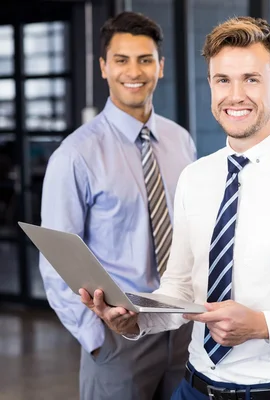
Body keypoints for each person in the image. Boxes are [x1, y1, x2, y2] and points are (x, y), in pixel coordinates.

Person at [80, 16, 270, 400]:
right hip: (193, 389)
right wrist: (137, 321)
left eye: (251, 79)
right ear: (210, 86)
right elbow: (181, 288)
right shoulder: (195, 177)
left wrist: (262, 325)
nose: (235, 95)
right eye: (223, 80)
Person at [38, 11, 196, 400]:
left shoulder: (181, 141)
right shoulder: (76, 155)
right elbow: (56, 260)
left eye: (145, 60)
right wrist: (97, 339)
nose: (134, 71)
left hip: (183, 329)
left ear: (160, 67)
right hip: (119, 335)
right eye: (122, 60)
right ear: (104, 67)